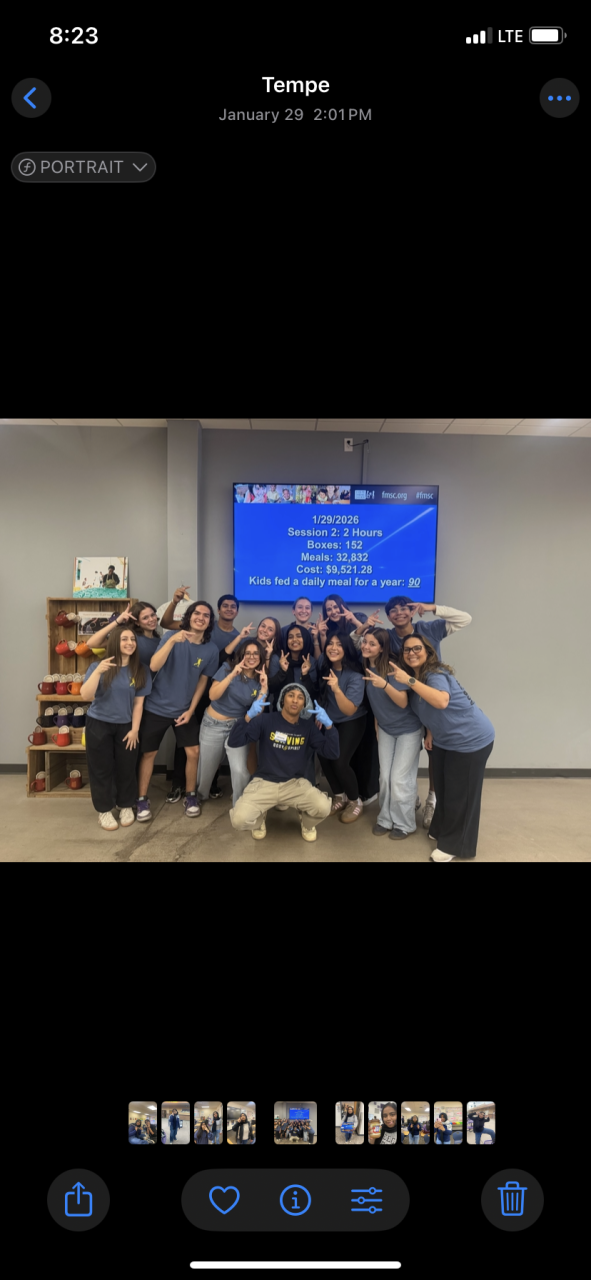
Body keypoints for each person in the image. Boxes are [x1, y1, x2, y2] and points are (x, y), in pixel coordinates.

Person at [353, 596, 472, 829]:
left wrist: (433, 607)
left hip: (429, 702)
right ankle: (393, 813)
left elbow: (465, 619)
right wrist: (363, 625)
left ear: (411, 611)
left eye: (404, 608)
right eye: (393, 610)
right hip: (404, 712)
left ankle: (427, 804)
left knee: (416, 766)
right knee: (390, 777)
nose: (399, 613)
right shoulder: (386, 641)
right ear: (389, 617)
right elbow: (362, 643)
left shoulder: (428, 629)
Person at [392, 634, 495, 860]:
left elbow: (440, 701)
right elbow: (427, 708)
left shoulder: (435, 674)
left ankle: (455, 846)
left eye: (416, 648)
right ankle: (440, 829)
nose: (411, 653)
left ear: (428, 651)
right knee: (444, 788)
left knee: (460, 795)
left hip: (471, 740)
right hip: (443, 740)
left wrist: (408, 681)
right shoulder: (417, 678)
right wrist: (430, 732)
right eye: (407, 650)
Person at [135, 600, 219, 820]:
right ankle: (141, 799)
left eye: (206, 615)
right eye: (197, 613)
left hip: (183, 710)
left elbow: (203, 682)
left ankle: (190, 796)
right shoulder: (170, 637)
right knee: (148, 753)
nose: (201, 618)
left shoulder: (211, 649)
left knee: (194, 752)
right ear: (189, 616)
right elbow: (154, 666)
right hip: (156, 707)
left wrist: (191, 710)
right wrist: (172, 640)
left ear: (210, 621)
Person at [227, 681, 339, 841]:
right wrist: (247, 717)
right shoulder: (265, 720)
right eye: (291, 695)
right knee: (238, 820)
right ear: (282, 700)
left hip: (294, 783)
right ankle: (259, 818)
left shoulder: (308, 727)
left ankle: (307, 822)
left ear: (304, 704)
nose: (295, 700)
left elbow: (332, 753)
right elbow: (234, 742)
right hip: (265, 782)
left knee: (323, 807)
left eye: (300, 697)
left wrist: (329, 727)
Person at [80, 627, 152, 831]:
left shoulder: (141, 669)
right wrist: (98, 672)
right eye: (124, 639)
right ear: (115, 643)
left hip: (126, 726)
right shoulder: (98, 666)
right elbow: (85, 695)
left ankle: (126, 805)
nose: (130, 643)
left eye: (132, 639)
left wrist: (135, 730)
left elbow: (138, 703)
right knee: (101, 769)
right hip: (98, 724)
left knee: (126, 767)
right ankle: (104, 810)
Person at [360, 627, 424, 840]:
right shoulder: (366, 666)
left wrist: (384, 684)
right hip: (386, 730)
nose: (366, 646)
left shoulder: (391, 668)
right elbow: (377, 703)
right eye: (365, 641)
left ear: (382, 648)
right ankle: (385, 818)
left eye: (372, 643)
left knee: (399, 778)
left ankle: (404, 823)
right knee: (385, 777)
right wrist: (378, 725)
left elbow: (403, 702)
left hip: (408, 730)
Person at [197, 639, 269, 806]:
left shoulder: (260, 680)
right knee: (206, 770)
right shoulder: (227, 668)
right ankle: (199, 797)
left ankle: (240, 805)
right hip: (213, 724)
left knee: (241, 770)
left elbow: (257, 713)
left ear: (261, 657)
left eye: (255, 653)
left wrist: (264, 689)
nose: (252, 657)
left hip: (237, 727)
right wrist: (232, 676)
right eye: (248, 653)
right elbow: (212, 695)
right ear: (241, 655)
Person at [317, 634, 366, 823]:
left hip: (351, 719)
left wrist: (337, 689)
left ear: (347, 649)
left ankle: (355, 800)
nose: (333, 647)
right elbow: (320, 693)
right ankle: (339, 796)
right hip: (330, 718)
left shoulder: (355, 675)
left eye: (339, 644)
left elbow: (349, 710)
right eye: (330, 643)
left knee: (339, 761)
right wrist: (320, 715)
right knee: (323, 754)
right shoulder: (324, 665)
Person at [87, 600, 162, 667]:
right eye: (145, 618)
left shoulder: (159, 641)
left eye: (153, 615)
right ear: (137, 622)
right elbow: (91, 643)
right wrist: (117, 621)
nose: (151, 619)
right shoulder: (130, 638)